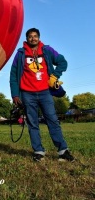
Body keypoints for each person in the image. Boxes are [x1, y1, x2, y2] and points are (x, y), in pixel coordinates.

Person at [10, 28, 75, 162]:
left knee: (53, 120)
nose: (33, 38)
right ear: (26, 39)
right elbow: (13, 75)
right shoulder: (20, 54)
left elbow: (63, 62)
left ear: (39, 38)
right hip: (27, 94)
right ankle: (38, 151)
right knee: (33, 123)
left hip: (45, 92)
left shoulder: (47, 50)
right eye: (30, 36)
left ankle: (63, 151)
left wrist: (55, 75)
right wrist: (15, 94)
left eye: (35, 36)